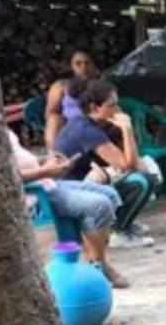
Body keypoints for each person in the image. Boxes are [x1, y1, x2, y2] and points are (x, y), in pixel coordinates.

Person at [9, 128, 129, 288]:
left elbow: (20, 160)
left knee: (110, 194)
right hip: (33, 193)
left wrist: (47, 160)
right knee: (99, 205)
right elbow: (4, 175)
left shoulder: (1, 129)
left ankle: (96, 260)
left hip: (46, 182)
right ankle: (98, 267)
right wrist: (44, 171)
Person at [55, 78, 160, 249]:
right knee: (142, 181)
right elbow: (130, 166)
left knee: (147, 172)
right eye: (111, 106)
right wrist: (127, 129)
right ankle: (120, 232)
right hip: (71, 193)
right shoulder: (87, 132)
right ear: (94, 108)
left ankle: (122, 224)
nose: (118, 110)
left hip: (80, 185)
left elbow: (133, 161)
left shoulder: (87, 124)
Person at [44, 48, 98, 151]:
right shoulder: (61, 85)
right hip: (68, 127)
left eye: (87, 63)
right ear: (71, 66)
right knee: (53, 119)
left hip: (94, 125)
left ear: (93, 65)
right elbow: (50, 113)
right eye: (78, 64)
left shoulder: (100, 86)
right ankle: (55, 156)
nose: (83, 67)